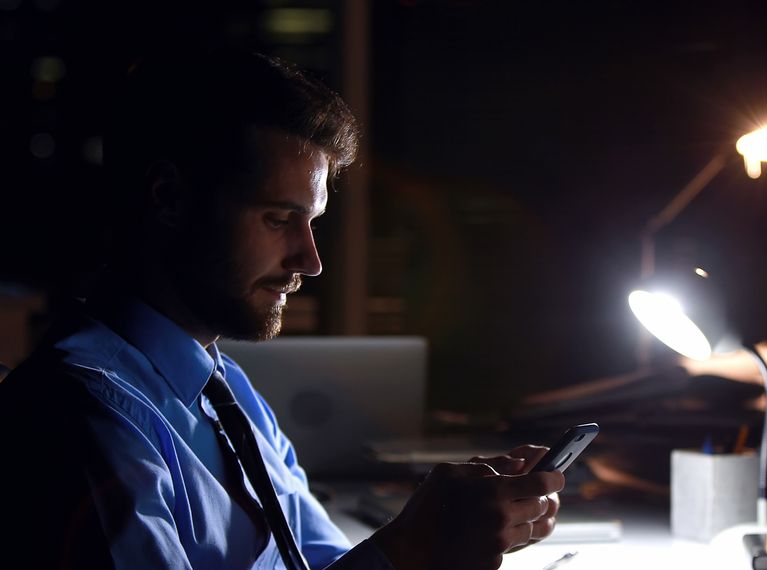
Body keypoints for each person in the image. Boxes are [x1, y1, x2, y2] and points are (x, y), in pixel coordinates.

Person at [0, 49, 564, 569]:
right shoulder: (84, 419)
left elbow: (321, 561)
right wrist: (411, 550)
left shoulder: (230, 394)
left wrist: (446, 532)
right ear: (168, 199)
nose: (310, 261)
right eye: (277, 220)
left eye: (311, 223)